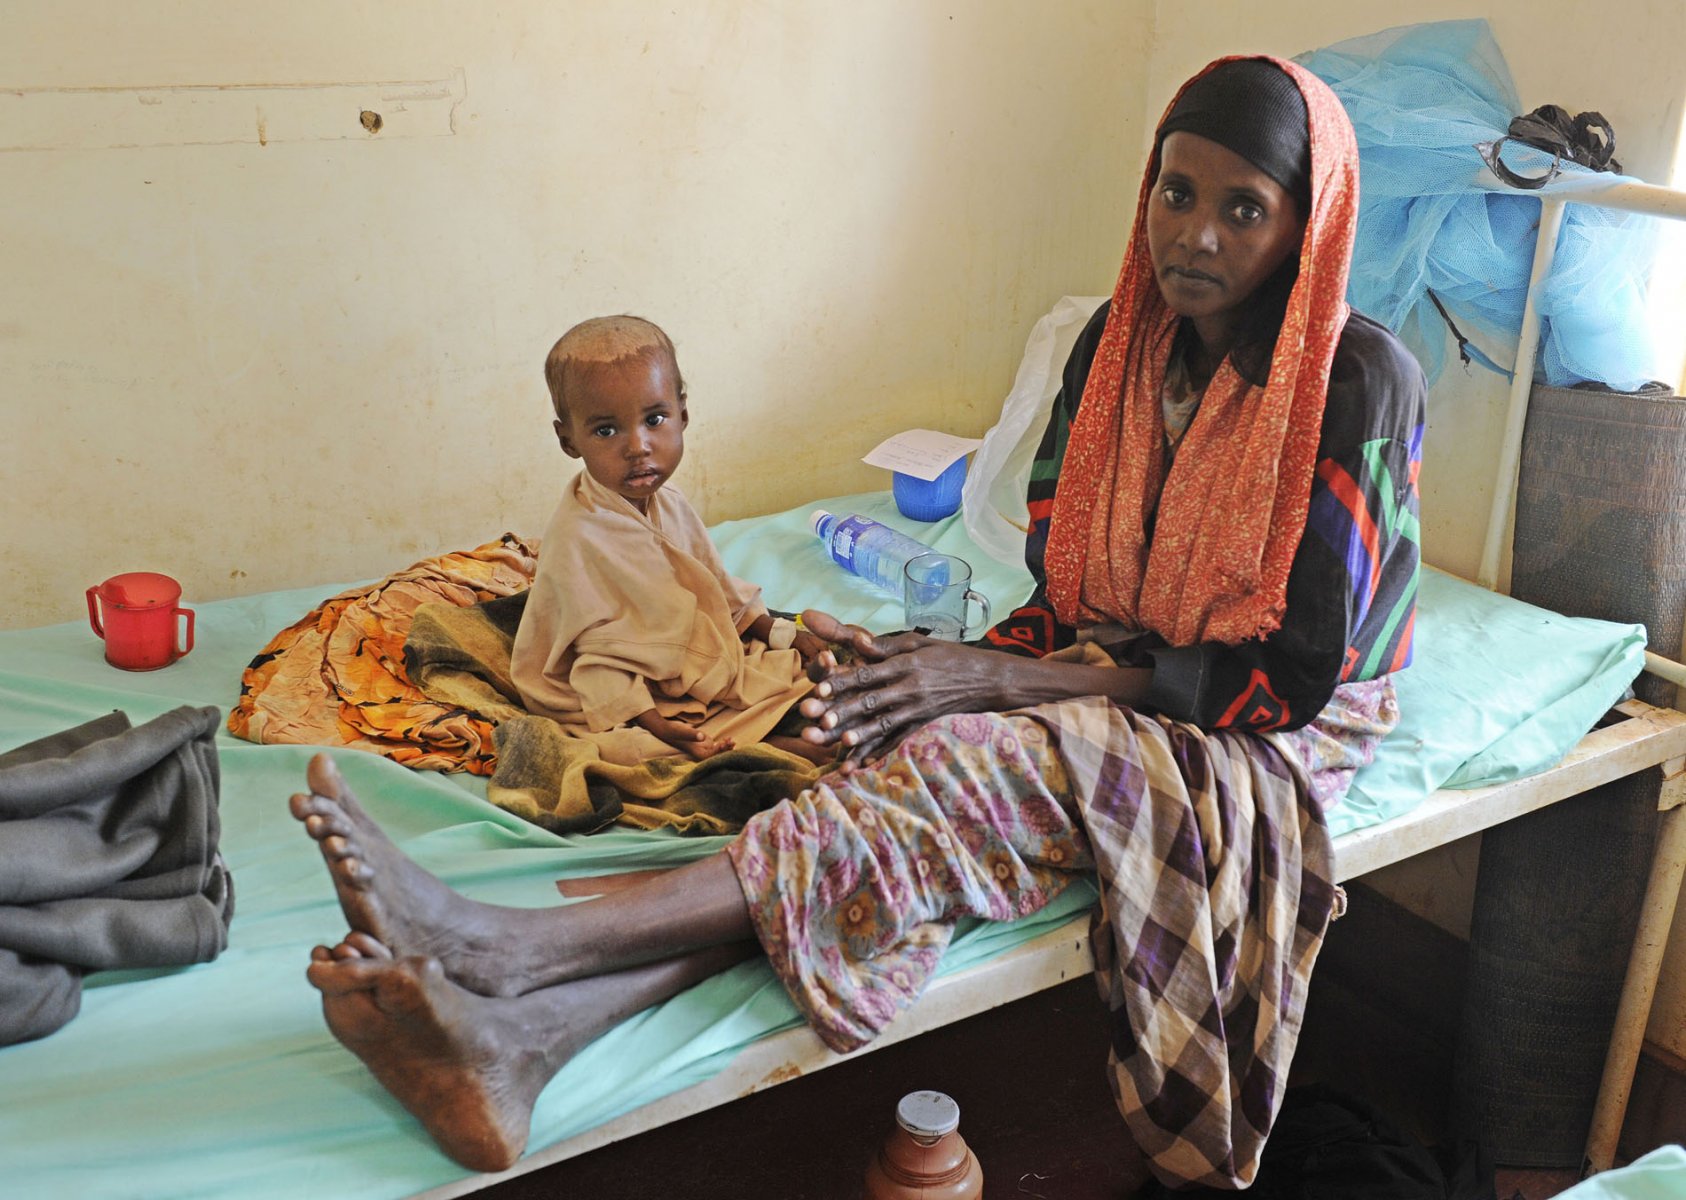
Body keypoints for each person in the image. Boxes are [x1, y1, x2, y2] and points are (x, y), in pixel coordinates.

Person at [292, 56, 1424, 1187]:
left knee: (966, 763)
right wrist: (939, 663)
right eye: (1176, 193)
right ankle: (527, 1043)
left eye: (1244, 209)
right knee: (880, 747)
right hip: (1125, 672)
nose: (1198, 236)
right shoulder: (1118, 352)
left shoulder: (1358, 384)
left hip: (1277, 725)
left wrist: (996, 688)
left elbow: (1290, 680)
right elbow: (1073, 599)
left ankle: (514, 951)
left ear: (1305, 226)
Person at [509, 315, 829, 765]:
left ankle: (768, 730)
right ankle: (762, 747)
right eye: (606, 430)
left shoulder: (669, 501)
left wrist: (779, 633)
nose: (638, 446)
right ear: (568, 440)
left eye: (655, 419)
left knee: (795, 674)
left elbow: (714, 589)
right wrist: (656, 723)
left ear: (683, 414)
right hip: (611, 695)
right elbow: (594, 661)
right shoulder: (576, 539)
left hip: (674, 668)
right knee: (632, 751)